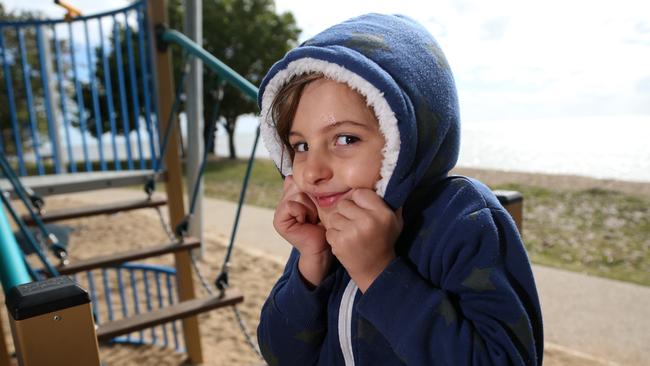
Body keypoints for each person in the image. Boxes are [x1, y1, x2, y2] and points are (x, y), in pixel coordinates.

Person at [256, 13, 543, 365]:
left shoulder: (464, 222)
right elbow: (280, 355)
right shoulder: (325, 228)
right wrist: (310, 264)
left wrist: (378, 271)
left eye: (345, 139)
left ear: (407, 136)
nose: (312, 172)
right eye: (300, 146)